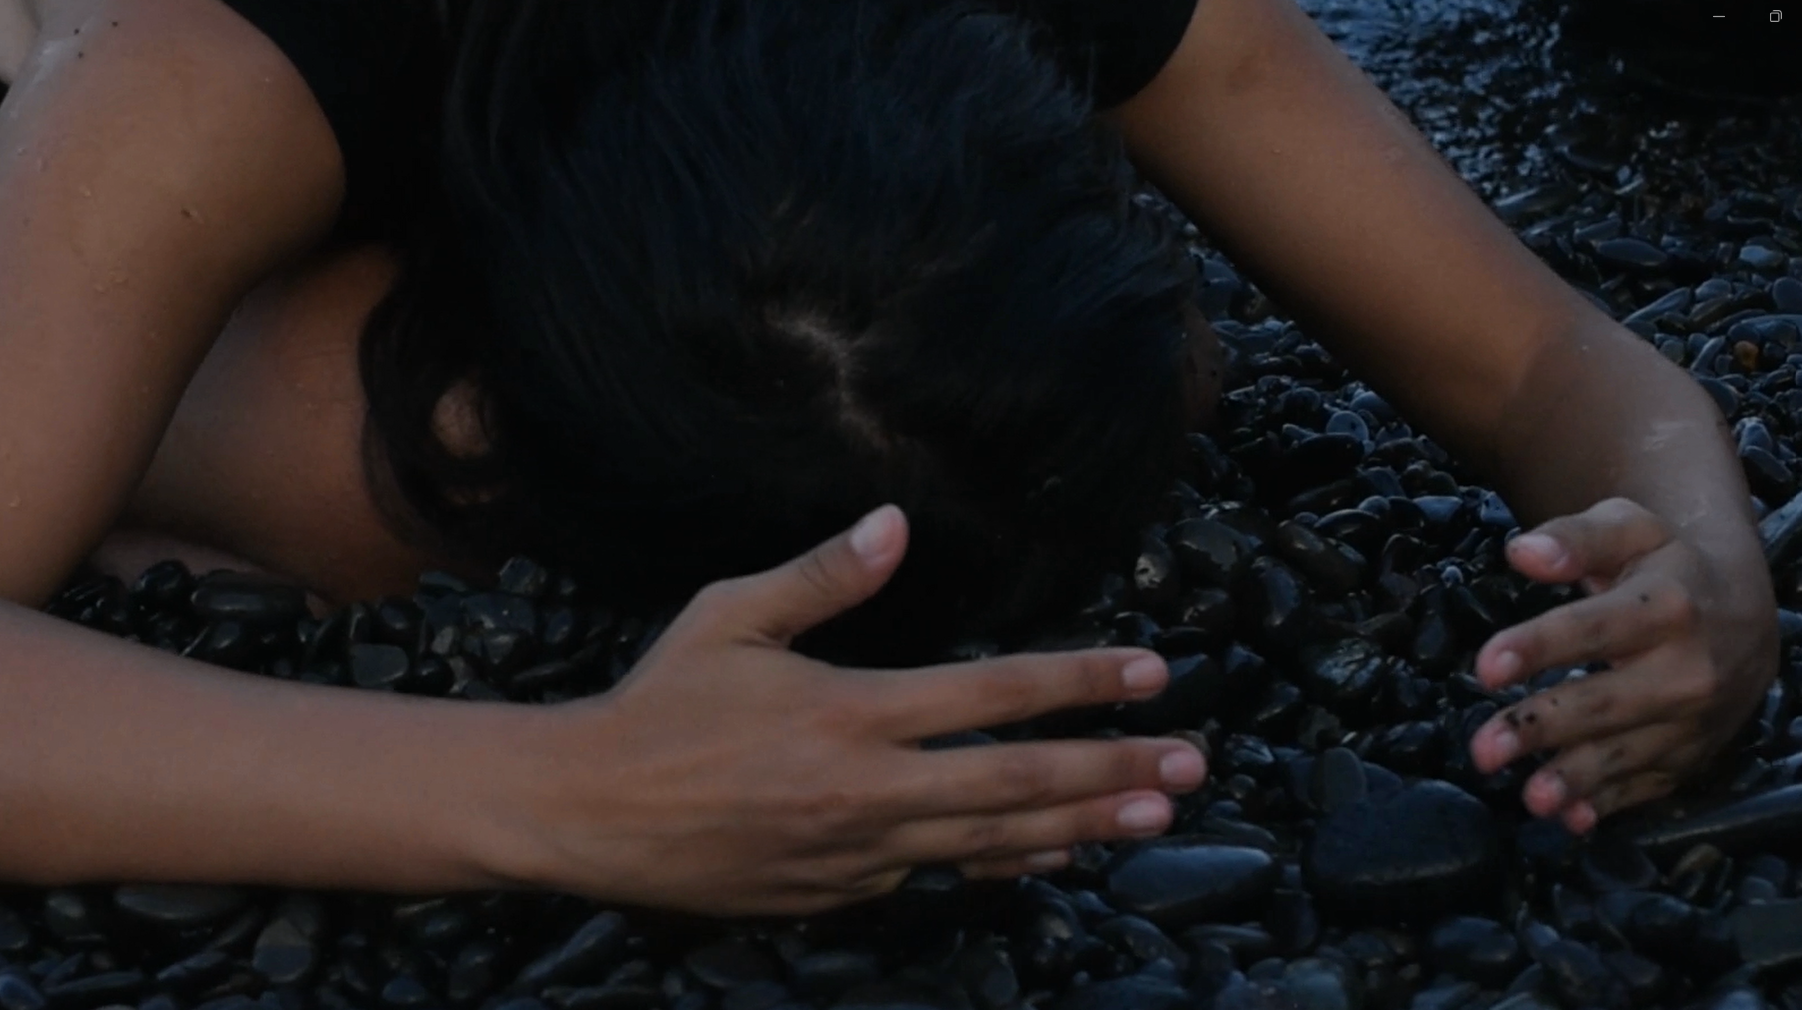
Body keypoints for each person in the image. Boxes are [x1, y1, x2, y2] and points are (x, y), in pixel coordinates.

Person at [0, 0, 1776, 916]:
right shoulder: (212, 73)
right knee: (374, 480)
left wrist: (1696, 552)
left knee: (1127, 387)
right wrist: (557, 794)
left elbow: (1533, 353)